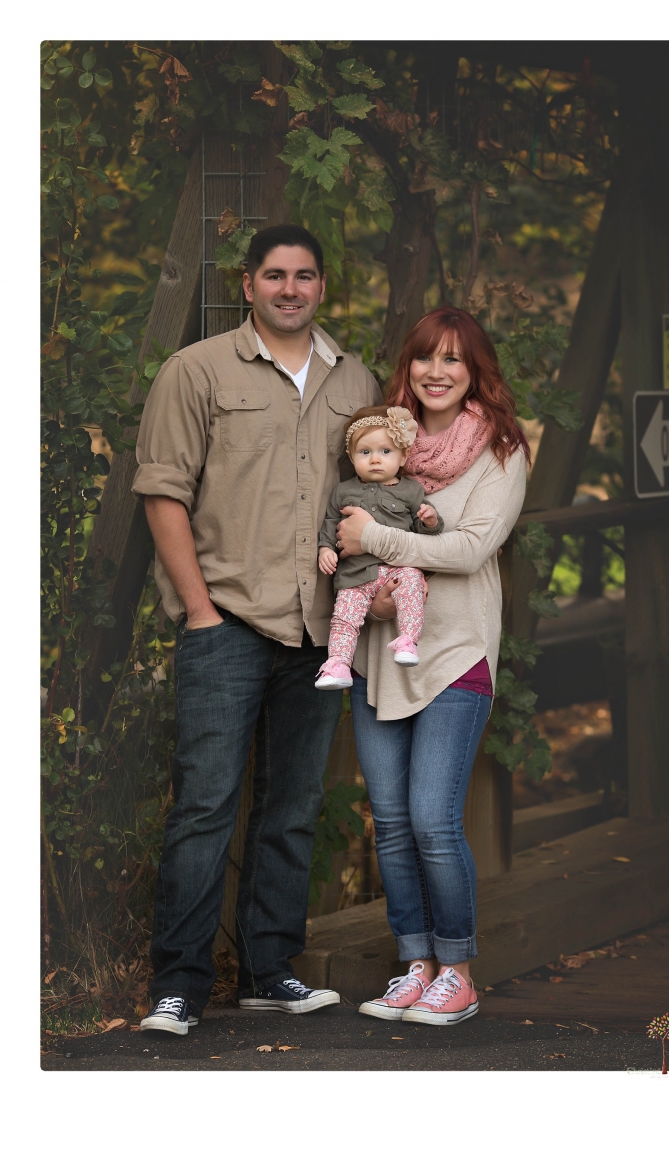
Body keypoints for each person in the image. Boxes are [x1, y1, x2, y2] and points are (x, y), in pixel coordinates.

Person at [131, 224, 382, 1034]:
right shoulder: (195, 371)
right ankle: (179, 984)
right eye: (274, 275)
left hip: (321, 629)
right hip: (229, 622)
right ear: (248, 285)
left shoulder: (358, 381)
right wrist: (200, 611)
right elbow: (163, 492)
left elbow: (375, 493)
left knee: (295, 805)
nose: (289, 289)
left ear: (320, 287)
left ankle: (269, 970)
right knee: (205, 805)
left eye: (304, 276)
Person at [334, 306, 530, 1026]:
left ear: (475, 371)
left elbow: (471, 549)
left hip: (455, 655)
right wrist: (369, 579)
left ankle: (458, 971)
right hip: (375, 656)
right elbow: (340, 535)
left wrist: (380, 539)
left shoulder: (502, 451)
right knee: (388, 822)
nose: (437, 372)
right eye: (425, 358)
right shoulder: (380, 443)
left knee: (432, 821)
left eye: (454, 359)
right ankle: (414, 964)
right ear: (407, 367)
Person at [315, 404, 444, 689]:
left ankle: (408, 640)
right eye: (365, 452)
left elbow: (425, 531)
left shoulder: (411, 491)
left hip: (396, 570)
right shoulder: (343, 490)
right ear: (351, 456)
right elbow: (330, 522)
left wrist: (430, 520)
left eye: (385, 452)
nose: (375, 459)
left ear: (402, 456)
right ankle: (337, 664)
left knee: (411, 583)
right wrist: (326, 549)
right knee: (344, 619)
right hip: (355, 576)